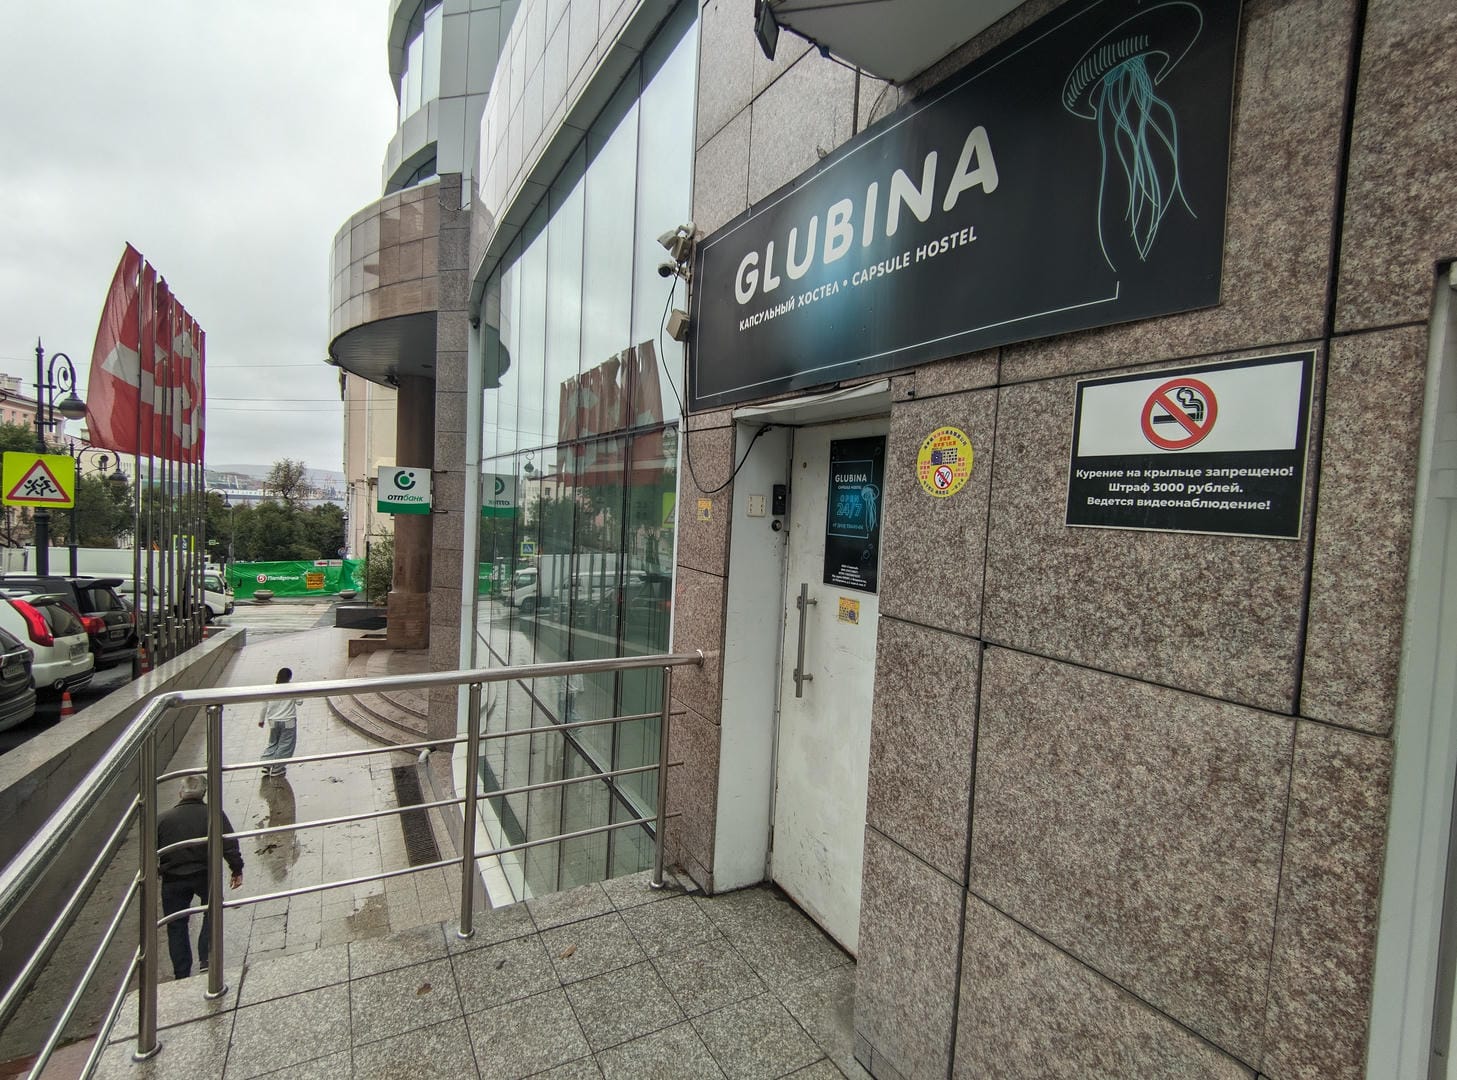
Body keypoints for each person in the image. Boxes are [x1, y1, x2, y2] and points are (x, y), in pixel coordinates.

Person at [157, 775, 243, 980]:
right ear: (203, 793)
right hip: (205, 874)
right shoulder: (213, 814)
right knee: (211, 913)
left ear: (180, 793)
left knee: (176, 924)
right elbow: (229, 844)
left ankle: (182, 972)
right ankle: (206, 958)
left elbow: (152, 852)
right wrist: (236, 869)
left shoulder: (162, 819)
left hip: (173, 879)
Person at [258, 667, 302, 777]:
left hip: (273, 720)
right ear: (289, 677)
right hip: (288, 719)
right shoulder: (292, 688)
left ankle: (266, 763)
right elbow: (300, 702)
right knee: (286, 743)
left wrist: (261, 720)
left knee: (273, 741)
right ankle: (278, 767)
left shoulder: (270, 688)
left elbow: (264, 706)